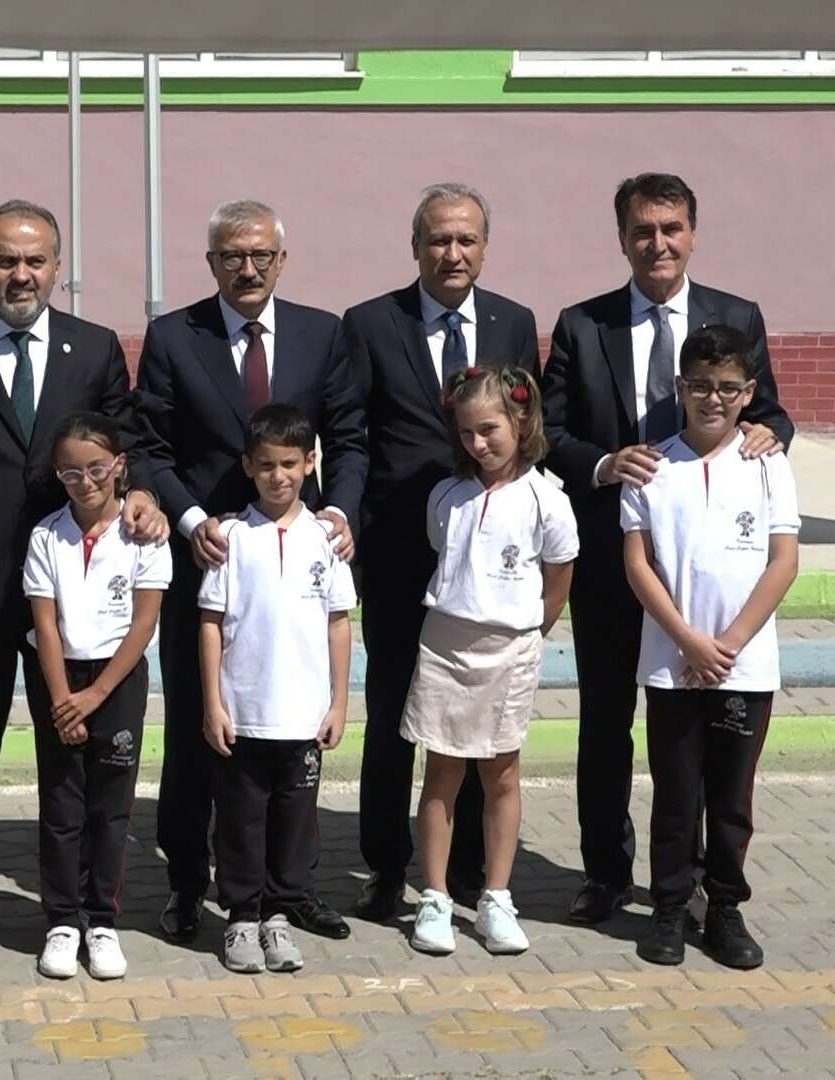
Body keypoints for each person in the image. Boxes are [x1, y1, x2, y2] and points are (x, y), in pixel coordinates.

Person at [0, 199, 166, 951]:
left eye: (35, 260)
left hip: (77, 584)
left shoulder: (96, 347)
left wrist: (143, 490)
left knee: (81, 747)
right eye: (6, 260)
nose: (21, 274)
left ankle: (82, 905)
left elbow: (129, 440)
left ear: (57, 267)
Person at [541, 173, 794, 926]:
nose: (659, 243)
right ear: (623, 238)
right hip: (618, 564)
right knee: (605, 723)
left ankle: (705, 886)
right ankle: (605, 873)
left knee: (704, 740)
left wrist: (769, 432)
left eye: (672, 228)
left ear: (692, 234)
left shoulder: (736, 316)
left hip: (707, 577)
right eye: (644, 230)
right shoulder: (582, 325)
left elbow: (771, 412)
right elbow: (547, 432)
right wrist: (603, 463)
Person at [136, 198, 363, 943]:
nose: (248, 268)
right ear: (211, 263)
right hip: (207, 561)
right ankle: (185, 880)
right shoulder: (175, 337)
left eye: (262, 254)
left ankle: (291, 889)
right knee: (201, 730)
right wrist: (191, 522)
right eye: (233, 255)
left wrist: (340, 512)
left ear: (281, 260)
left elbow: (349, 437)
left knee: (295, 736)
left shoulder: (321, 334)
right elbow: (149, 446)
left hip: (297, 564)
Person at [340, 185, 538, 920]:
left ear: (484, 247)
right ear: (416, 246)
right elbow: (353, 434)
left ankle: (466, 870)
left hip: (487, 563)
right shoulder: (369, 323)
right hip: (399, 554)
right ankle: (386, 866)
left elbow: (529, 433)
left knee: (481, 724)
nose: (452, 253)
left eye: (466, 240)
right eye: (438, 240)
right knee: (395, 714)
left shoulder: (515, 322)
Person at [621, 326, 799, 970]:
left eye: (727, 387)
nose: (713, 399)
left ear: (749, 392)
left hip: (742, 669)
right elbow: (638, 563)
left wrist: (727, 644)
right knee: (675, 795)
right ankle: (670, 907)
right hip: (673, 665)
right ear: (679, 388)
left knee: (731, 800)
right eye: (700, 386)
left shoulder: (767, 463)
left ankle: (723, 906)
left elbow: (783, 561)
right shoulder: (651, 467)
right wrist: (689, 642)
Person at [402, 366, 576, 957]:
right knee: (441, 771)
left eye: (490, 429)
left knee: (500, 774)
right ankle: (434, 896)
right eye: (467, 432)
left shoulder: (548, 500)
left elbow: (558, 576)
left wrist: (530, 629)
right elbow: (445, 557)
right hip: (445, 645)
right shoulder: (446, 496)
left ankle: (496, 896)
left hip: (510, 650)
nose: (478, 443)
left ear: (521, 421)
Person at [198, 405, 354, 975]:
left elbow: (339, 623)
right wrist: (213, 703)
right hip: (244, 713)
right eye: (266, 465)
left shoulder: (328, 540)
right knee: (240, 821)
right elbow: (211, 623)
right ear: (247, 466)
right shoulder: (232, 537)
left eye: (290, 464)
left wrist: (339, 703)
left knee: (293, 822)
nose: (278, 476)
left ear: (310, 463)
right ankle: (241, 917)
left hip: (304, 719)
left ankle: (278, 916)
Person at [25, 413, 168, 981]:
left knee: (110, 809)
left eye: (96, 469)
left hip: (118, 681)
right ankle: (62, 921)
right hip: (61, 680)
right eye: (70, 473)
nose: (84, 482)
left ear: (119, 467)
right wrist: (64, 698)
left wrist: (98, 694)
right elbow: (45, 623)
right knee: (62, 807)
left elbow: (144, 623)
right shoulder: (45, 536)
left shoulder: (144, 535)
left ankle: (102, 921)